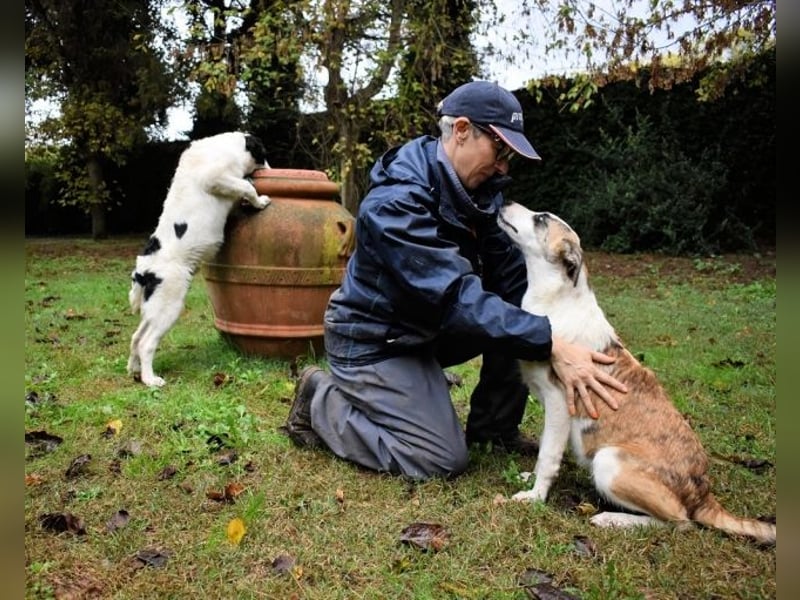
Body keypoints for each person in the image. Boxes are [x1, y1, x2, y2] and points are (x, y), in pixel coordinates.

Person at [283, 80, 626, 480]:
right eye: (500, 150)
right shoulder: (396, 203)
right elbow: (452, 297)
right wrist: (551, 342)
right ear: (461, 130)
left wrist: (572, 339)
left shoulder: (480, 192)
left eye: (508, 156)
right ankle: (320, 400)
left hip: (426, 329)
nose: (503, 166)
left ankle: (493, 430)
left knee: (518, 315)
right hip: (376, 341)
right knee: (438, 459)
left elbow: (512, 285)